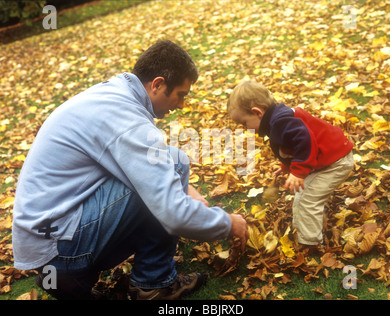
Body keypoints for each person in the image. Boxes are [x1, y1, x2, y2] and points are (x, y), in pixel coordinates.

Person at [12, 40, 249, 300]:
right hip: (60, 246)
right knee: (173, 165)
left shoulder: (113, 94)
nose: (181, 105)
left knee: (168, 162)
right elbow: (172, 212)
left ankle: (72, 280)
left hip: (48, 236)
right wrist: (228, 223)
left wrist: (185, 188)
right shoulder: (127, 120)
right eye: (180, 95)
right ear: (157, 84)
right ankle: (154, 284)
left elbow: (129, 161)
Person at [227, 80, 354, 250]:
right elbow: (292, 146)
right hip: (330, 158)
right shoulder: (276, 119)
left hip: (336, 162)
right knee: (306, 193)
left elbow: (306, 141)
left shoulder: (281, 121)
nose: (245, 129)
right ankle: (315, 218)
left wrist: (298, 172)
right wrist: (289, 167)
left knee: (305, 200)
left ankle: (310, 243)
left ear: (257, 112)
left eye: (244, 123)